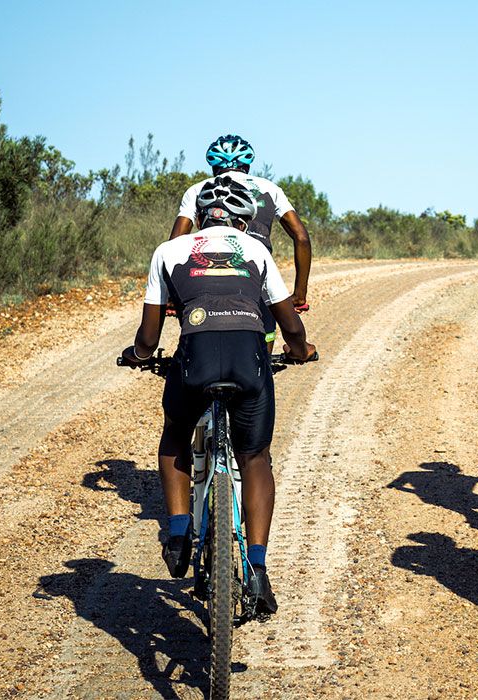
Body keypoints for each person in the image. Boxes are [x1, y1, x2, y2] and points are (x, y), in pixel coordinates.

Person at [123, 176, 316, 616]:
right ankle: (259, 567)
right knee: (256, 458)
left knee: (175, 435)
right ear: (245, 219)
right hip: (249, 363)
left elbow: (150, 337)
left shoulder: (168, 252)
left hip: (196, 362)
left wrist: (138, 354)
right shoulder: (257, 251)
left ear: (201, 216)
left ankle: (177, 533)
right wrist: (301, 351)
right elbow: (290, 326)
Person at [171, 134, 313, 317]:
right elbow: (301, 237)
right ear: (246, 166)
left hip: (204, 274)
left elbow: (175, 243)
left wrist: (171, 297)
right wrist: (299, 296)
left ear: (214, 167)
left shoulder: (197, 190)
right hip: (255, 274)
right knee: (268, 336)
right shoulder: (270, 188)